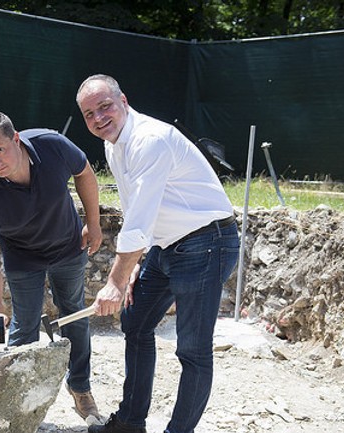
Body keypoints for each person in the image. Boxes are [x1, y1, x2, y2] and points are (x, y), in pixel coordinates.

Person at [75, 74, 240, 433]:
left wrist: (116, 281)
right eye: (89, 114)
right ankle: (131, 423)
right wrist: (137, 261)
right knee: (136, 323)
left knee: (193, 350)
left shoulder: (150, 140)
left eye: (104, 107)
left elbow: (137, 219)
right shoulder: (113, 144)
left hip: (206, 242)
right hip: (167, 246)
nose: (99, 118)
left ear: (124, 101)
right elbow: (139, 209)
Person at [0, 111, 104, 423]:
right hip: (23, 258)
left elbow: (85, 173)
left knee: (73, 313)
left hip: (69, 246)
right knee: (24, 326)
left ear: (16, 139)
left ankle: (80, 388)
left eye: (0, 150)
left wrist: (93, 223)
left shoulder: (51, 145)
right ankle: (14, 400)